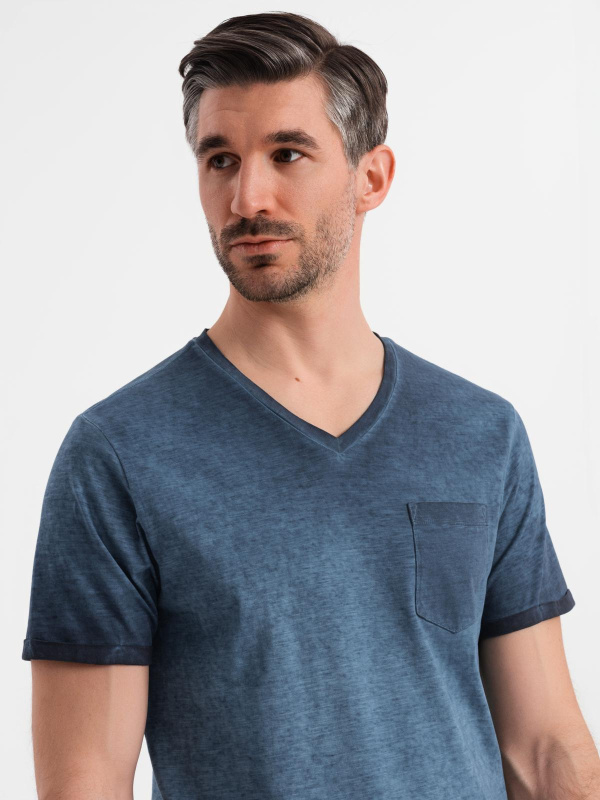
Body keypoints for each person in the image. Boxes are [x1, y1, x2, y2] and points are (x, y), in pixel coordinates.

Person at [22, 11, 599, 800]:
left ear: (372, 178)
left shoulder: (480, 434)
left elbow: (546, 750)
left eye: (287, 154)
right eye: (219, 160)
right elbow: (86, 779)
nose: (246, 196)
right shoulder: (120, 454)